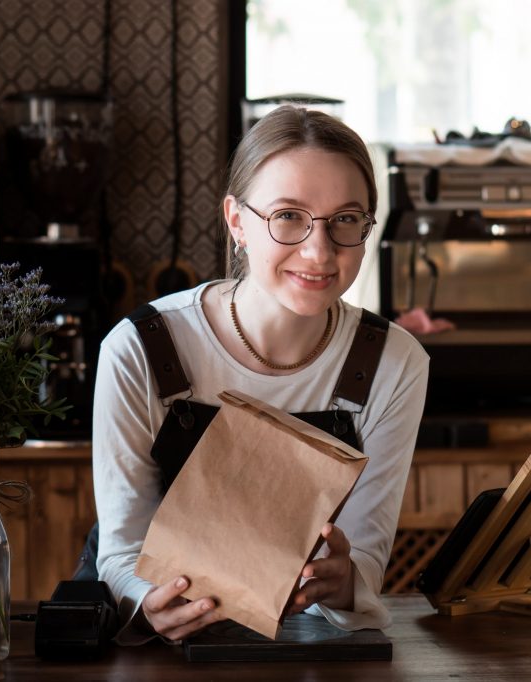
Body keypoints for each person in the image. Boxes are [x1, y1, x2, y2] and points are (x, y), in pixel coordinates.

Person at [92, 105, 429, 644]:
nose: (319, 252)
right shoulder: (143, 349)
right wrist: (148, 603)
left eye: (346, 219)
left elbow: (364, 560)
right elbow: (121, 555)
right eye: (288, 216)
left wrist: (343, 582)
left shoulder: (392, 362)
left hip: (306, 644)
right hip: (154, 646)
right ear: (236, 221)